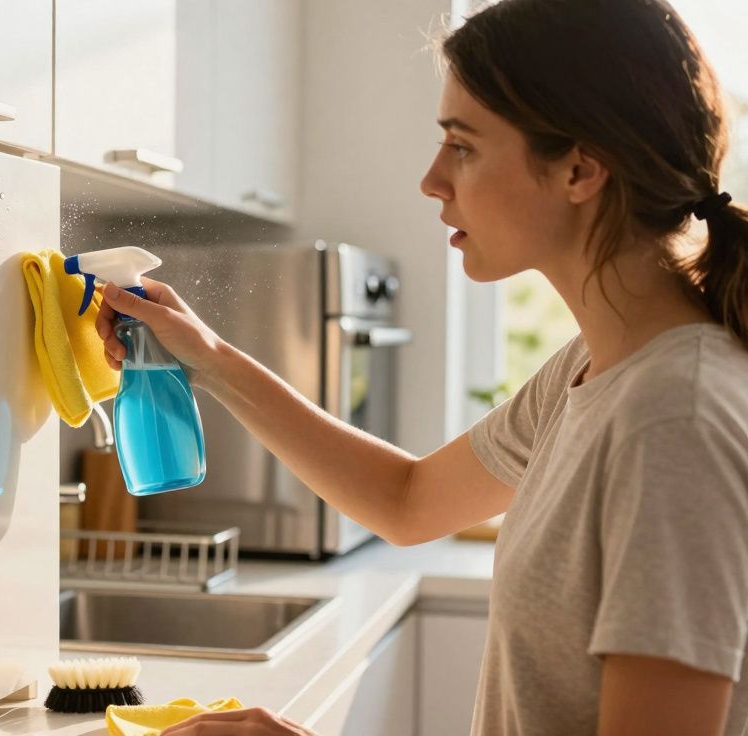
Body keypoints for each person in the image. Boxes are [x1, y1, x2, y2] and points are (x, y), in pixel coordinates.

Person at [97, 0, 748, 734]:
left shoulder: (672, 421)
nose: (432, 180)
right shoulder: (592, 370)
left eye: (462, 146)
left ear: (580, 168)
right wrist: (208, 360)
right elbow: (407, 501)